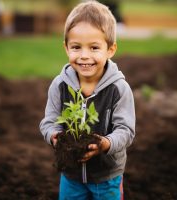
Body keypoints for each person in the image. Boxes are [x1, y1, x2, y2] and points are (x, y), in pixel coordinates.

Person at [39, 1, 135, 199]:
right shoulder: (59, 85)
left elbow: (126, 131)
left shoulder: (119, 89)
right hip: (71, 175)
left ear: (110, 50)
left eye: (94, 48)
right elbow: (48, 121)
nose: (84, 56)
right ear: (66, 48)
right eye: (76, 47)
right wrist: (54, 136)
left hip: (107, 177)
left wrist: (105, 144)